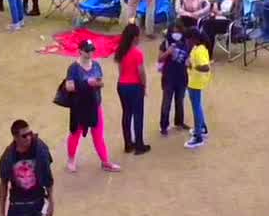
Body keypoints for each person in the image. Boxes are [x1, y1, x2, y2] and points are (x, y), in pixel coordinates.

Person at [62, 40, 119, 172]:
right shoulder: (73, 68)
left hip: (94, 105)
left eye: (92, 50)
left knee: (98, 134)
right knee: (75, 133)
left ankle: (105, 161)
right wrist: (87, 83)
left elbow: (99, 81)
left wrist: (98, 84)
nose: (90, 53)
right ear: (80, 51)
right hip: (79, 106)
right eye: (87, 50)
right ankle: (71, 160)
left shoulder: (97, 65)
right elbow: (69, 86)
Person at [114, 23, 151, 155]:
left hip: (122, 85)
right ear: (135, 37)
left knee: (126, 114)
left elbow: (121, 70)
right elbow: (141, 72)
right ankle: (139, 144)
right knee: (138, 115)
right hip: (134, 86)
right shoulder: (137, 53)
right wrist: (144, 86)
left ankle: (128, 143)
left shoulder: (121, 51)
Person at [157, 22, 191, 135]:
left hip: (182, 76)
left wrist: (189, 62)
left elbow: (189, 57)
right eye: (174, 32)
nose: (176, 34)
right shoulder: (165, 44)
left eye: (178, 32)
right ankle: (163, 125)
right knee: (166, 102)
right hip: (168, 77)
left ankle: (179, 122)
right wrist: (168, 52)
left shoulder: (186, 43)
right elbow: (159, 59)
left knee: (179, 101)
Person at [184, 29, 212, 149]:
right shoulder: (197, 48)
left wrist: (193, 66)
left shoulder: (199, 50)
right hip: (194, 81)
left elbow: (206, 67)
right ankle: (202, 127)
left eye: (188, 40)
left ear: (193, 39)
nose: (186, 42)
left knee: (196, 109)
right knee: (198, 106)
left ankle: (198, 136)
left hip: (196, 82)